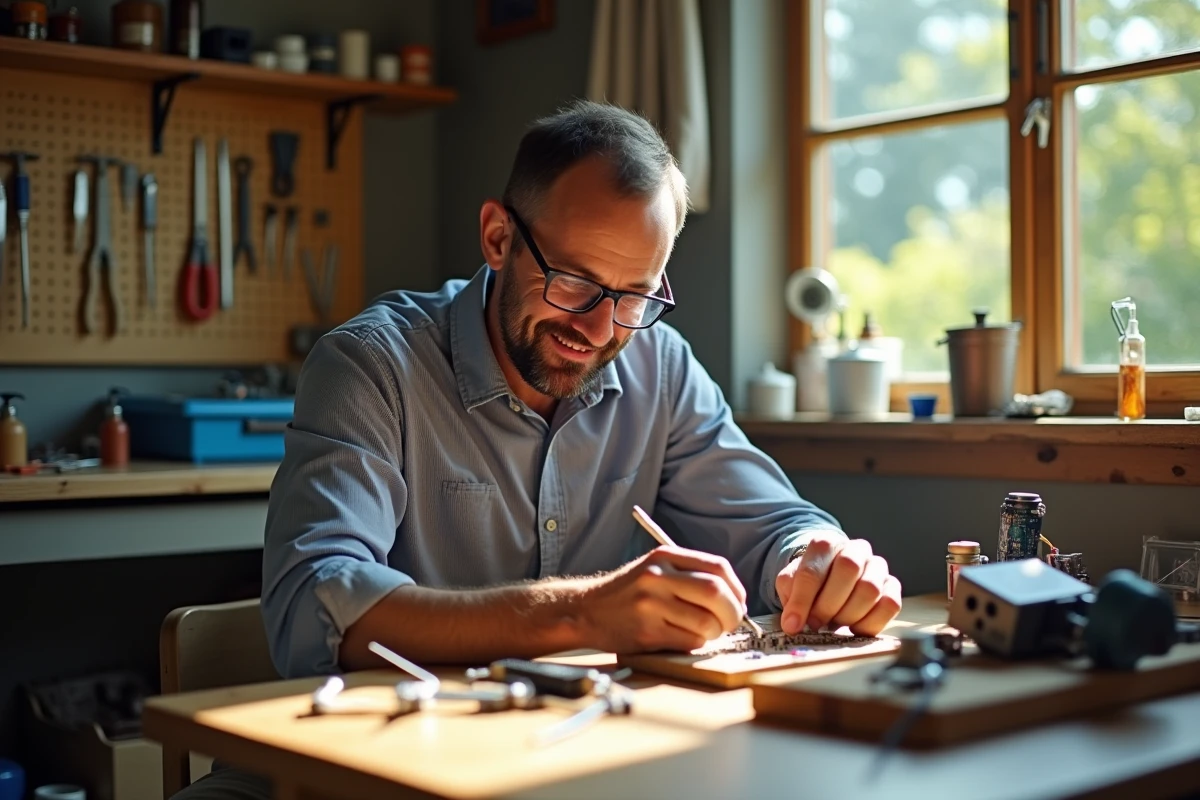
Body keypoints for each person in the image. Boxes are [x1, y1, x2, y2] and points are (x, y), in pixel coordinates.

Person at [172, 100, 901, 798]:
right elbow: (314, 605)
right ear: (497, 238)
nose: (599, 327)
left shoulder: (662, 367)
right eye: (575, 282)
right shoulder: (371, 366)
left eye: (634, 296)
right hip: (367, 764)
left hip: (574, 757)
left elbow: (773, 524)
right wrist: (581, 615)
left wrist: (819, 558)